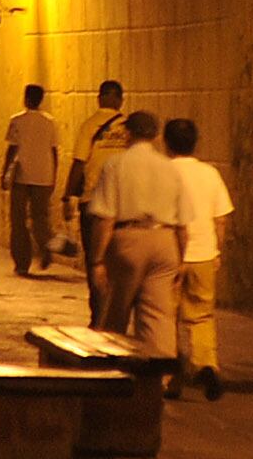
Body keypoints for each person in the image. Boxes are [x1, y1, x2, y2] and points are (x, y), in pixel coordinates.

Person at [86, 110, 189, 352]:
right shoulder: (171, 168)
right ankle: (158, 377)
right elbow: (183, 223)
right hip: (165, 241)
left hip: (128, 241)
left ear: (127, 133)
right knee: (159, 317)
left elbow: (105, 218)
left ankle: (110, 372)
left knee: (115, 313)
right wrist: (182, 259)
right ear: (155, 135)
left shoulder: (115, 165)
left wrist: (97, 260)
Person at [162, 119, 234, 398]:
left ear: (166, 143)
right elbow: (221, 218)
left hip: (170, 255)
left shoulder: (162, 172)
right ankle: (206, 364)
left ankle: (171, 376)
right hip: (203, 253)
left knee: (166, 317)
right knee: (201, 315)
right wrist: (217, 251)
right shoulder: (210, 173)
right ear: (196, 143)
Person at [67, 79, 131, 326]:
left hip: (93, 202)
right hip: (124, 204)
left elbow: (79, 162)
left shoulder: (89, 126)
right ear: (120, 99)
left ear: (100, 98)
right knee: (119, 262)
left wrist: (67, 195)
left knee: (96, 259)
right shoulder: (129, 128)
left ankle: (98, 315)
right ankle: (117, 317)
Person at [0, 84, 64, 278]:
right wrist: (54, 175)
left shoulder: (17, 120)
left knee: (18, 221)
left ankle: (22, 262)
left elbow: (12, 149)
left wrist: (4, 173)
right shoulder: (50, 122)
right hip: (44, 175)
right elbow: (54, 151)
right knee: (40, 218)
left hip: (22, 177)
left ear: (25, 98)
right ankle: (46, 247)